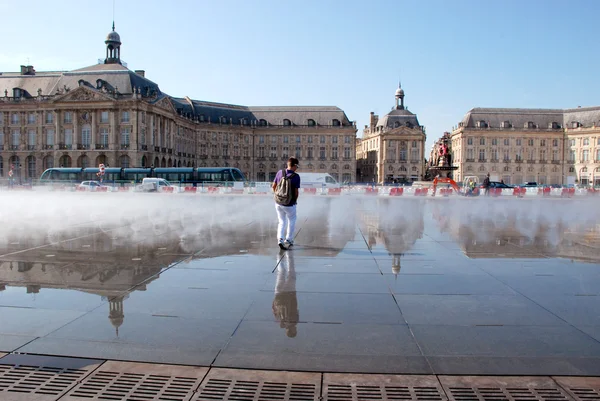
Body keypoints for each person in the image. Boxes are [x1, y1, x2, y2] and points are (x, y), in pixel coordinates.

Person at [272, 157, 301, 249]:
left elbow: (274, 186)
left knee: (281, 221)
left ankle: (280, 239)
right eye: (297, 166)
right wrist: (295, 201)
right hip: (289, 203)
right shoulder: (296, 177)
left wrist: (277, 195)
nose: (297, 168)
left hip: (278, 202)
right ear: (294, 166)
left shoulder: (280, 172)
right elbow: (296, 192)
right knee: (292, 220)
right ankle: (288, 239)